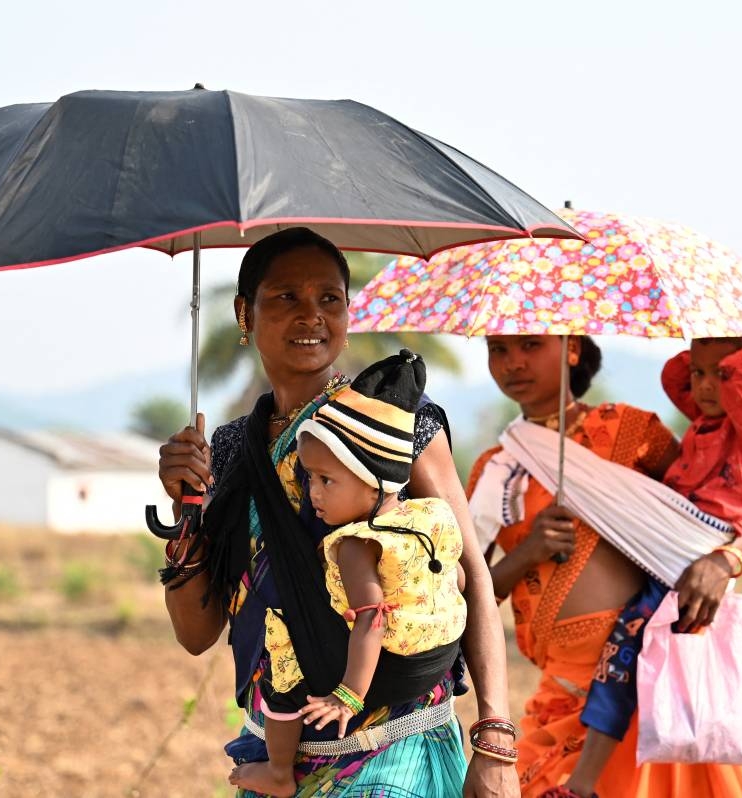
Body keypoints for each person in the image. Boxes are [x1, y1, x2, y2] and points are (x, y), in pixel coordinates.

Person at [156, 227, 521, 797]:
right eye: (285, 298)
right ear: (242, 313)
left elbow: (470, 573)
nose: (312, 316)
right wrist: (185, 513)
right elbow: (198, 634)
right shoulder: (226, 453)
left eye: (330, 298)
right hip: (272, 759)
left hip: (394, 749)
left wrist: (495, 737)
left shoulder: (394, 424)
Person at [466, 334, 742, 797]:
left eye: (530, 345)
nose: (513, 363)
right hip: (559, 690)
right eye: (498, 349)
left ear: (572, 348)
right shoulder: (496, 471)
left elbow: (722, 515)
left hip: (649, 672)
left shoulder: (632, 431)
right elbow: (469, 600)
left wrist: (725, 561)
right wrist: (528, 552)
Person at [560, 336, 742, 798]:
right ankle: (587, 781)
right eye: (701, 374)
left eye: (723, 374)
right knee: (627, 659)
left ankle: (582, 786)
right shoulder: (706, 421)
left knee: (624, 658)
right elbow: (673, 375)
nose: (707, 386)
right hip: (670, 550)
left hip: (694, 555)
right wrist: (711, 341)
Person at [229, 349, 469, 796]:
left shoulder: (355, 544)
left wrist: (349, 695)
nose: (313, 492)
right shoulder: (430, 515)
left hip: (380, 677)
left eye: (326, 480)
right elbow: (459, 579)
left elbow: (371, 617)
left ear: (373, 479)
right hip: (432, 656)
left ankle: (278, 772)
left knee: (281, 651)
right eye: (310, 478)